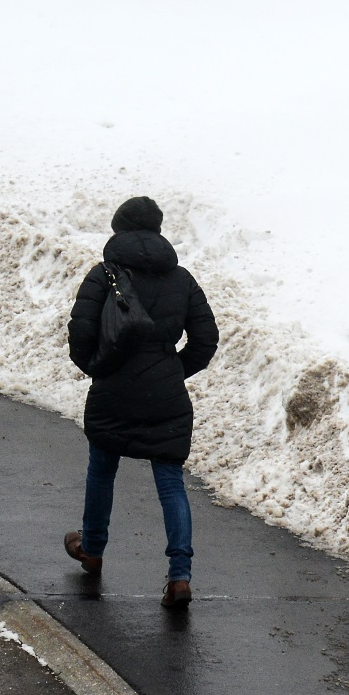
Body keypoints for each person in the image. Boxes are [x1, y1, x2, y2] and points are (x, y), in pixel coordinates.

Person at [64, 196, 219, 608]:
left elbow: (80, 338)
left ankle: (92, 549)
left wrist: (102, 368)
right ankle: (180, 576)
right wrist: (170, 371)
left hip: (113, 390)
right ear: (157, 230)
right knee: (170, 482)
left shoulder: (104, 275)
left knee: (102, 469)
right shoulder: (182, 279)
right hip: (165, 396)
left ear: (119, 230)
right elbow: (205, 341)